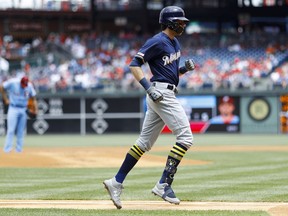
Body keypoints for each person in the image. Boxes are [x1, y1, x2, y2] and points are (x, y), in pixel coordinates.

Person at [103, 6, 195, 209]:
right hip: (160, 93)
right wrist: (148, 87)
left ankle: (116, 181)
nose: (182, 25)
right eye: (179, 22)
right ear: (169, 22)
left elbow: (167, 72)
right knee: (186, 137)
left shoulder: (174, 41)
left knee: (144, 143)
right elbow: (134, 64)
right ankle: (164, 184)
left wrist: (183, 70)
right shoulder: (157, 41)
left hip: (164, 90)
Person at [0, 76, 38, 153]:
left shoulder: (29, 86)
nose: (24, 86)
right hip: (13, 108)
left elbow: (33, 98)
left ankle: (19, 149)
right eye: (23, 84)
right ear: (20, 82)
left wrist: (36, 110)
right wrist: (6, 99)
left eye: (25, 85)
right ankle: (7, 149)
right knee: (11, 130)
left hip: (24, 109)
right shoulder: (13, 82)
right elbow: (1, 87)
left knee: (21, 131)